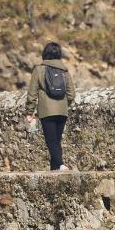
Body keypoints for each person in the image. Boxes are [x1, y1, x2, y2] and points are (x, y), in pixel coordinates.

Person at [25, 42, 76, 171]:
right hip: (62, 111)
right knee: (56, 141)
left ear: (45, 53)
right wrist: (64, 105)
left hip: (46, 111)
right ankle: (55, 170)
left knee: (51, 141)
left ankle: (60, 165)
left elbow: (32, 93)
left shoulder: (39, 70)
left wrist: (29, 112)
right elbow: (71, 94)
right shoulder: (64, 70)